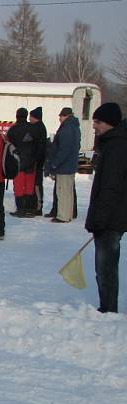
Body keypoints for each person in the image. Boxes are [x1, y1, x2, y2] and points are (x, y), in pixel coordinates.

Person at [86, 102, 127, 313]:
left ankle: (108, 309)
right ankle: (107, 306)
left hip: (111, 218)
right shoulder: (111, 143)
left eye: (98, 122)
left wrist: (99, 220)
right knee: (104, 267)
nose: (94, 126)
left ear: (110, 123)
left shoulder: (117, 147)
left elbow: (111, 187)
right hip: (110, 216)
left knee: (106, 267)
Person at [46, 106, 81, 223]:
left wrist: (55, 163)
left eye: (60, 116)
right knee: (68, 191)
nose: (59, 118)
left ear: (66, 116)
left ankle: (63, 216)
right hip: (70, 164)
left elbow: (63, 149)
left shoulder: (67, 129)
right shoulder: (74, 127)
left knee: (62, 191)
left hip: (64, 166)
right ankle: (68, 213)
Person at [7, 107, 38, 218]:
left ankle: (20, 209)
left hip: (18, 162)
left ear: (17, 116)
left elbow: (8, 145)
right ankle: (29, 209)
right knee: (29, 186)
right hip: (31, 162)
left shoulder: (13, 130)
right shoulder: (33, 129)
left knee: (19, 186)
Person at [28, 106, 47, 216]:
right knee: (35, 183)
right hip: (37, 160)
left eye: (31, 117)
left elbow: (38, 146)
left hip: (37, 161)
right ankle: (35, 205)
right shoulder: (39, 127)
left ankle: (38, 206)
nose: (29, 119)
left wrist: (36, 159)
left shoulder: (38, 128)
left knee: (37, 184)